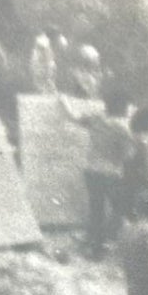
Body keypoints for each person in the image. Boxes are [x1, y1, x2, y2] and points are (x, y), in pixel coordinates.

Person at [60, 90, 133, 257]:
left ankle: (95, 246)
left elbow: (74, 117)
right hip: (111, 173)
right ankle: (106, 239)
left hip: (92, 170)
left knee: (96, 209)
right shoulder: (123, 129)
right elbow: (127, 156)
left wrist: (64, 102)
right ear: (122, 108)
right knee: (120, 208)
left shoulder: (96, 119)